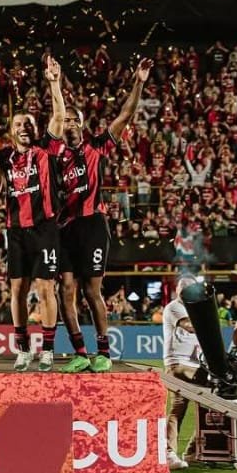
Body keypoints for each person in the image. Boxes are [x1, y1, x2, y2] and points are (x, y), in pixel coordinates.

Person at [48, 56, 153, 373]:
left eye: (73, 121)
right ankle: (80, 351)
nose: (68, 126)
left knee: (92, 291)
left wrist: (139, 82)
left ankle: (103, 351)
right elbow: (56, 112)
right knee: (65, 289)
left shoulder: (97, 146)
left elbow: (126, 113)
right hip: (65, 227)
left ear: (81, 124)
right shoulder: (55, 153)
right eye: (64, 121)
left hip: (93, 224)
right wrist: (54, 82)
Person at [0, 56, 64, 373]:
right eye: (18, 125)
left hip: (44, 228)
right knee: (17, 290)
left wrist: (54, 84)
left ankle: (48, 350)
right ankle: (23, 349)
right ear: (11, 131)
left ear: (37, 129)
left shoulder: (46, 152)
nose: (24, 128)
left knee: (45, 288)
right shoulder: (3, 157)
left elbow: (60, 117)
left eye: (29, 124)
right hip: (15, 231)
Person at [162, 276, 201, 469]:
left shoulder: (195, 308)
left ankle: (193, 451)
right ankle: (168, 453)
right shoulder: (174, 307)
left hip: (197, 365)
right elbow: (189, 326)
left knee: (207, 409)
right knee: (178, 407)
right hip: (178, 362)